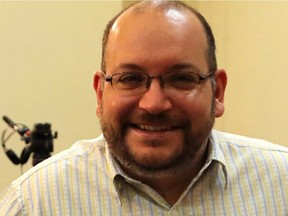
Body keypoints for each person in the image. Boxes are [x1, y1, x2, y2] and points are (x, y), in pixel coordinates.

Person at [1, 0, 288, 215]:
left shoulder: (281, 185)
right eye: (130, 79)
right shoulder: (33, 203)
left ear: (218, 91)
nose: (153, 104)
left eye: (181, 78)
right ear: (100, 93)